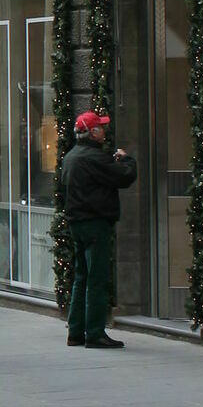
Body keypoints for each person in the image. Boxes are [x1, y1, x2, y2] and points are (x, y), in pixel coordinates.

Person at [62, 109, 138, 350]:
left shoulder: (71, 156)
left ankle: (76, 332)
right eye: (101, 127)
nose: (104, 131)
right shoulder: (94, 158)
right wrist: (126, 159)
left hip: (77, 224)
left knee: (81, 277)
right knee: (97, 278)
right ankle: (94, 332)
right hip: (96, 223)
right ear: (92, 132)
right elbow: (124, 176)